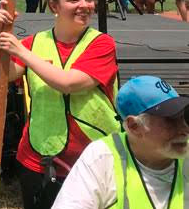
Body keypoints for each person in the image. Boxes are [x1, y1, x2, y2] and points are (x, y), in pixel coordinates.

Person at [0, 0, 120, 209]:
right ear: (54, 6)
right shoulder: (34, 43)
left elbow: (68, 84)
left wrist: (22, 53)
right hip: (38, 157)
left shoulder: (102, 44)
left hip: (93, 158)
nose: (85, 5)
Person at [52, 75, 189, 209]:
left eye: (184, 116)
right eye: (170, 120)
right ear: (133, 126)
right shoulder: (102, 156)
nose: (185, 128)